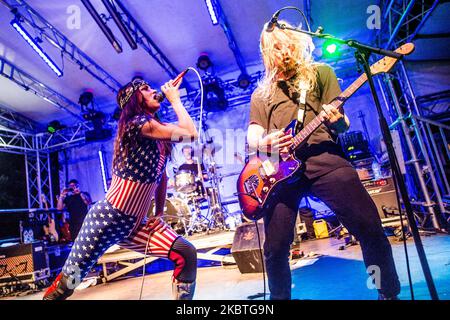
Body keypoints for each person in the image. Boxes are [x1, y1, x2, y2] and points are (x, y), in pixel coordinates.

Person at [246, 21, 400, 300]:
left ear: (298, 43)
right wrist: (264, 142)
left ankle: (387, 292)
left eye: (288, 44)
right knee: (275, 246)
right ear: (268, 53)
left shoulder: (322, 73)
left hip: (324, 158)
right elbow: (253, 134)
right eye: (276, 47)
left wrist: (339, 121)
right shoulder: (262, 93)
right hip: (280, 172)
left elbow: (342, 126)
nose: (284, 51)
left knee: (368, 226)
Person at [43, 76, 199, 300]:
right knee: (69, 282)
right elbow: (190, 133)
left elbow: (161, 177)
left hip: (135, 224)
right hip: (107, 219)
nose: (153, 90)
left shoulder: (158, 132)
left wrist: (159, 213)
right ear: (135, 99)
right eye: (146, 89)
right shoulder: (135, 125)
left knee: (186, 253)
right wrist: (176, 100)